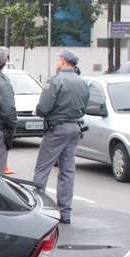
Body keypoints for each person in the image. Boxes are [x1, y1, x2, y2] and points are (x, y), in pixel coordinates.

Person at [32, 50, 90, 224]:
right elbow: (84, 106)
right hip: (75, 127)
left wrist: (41, 111)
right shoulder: (82, 82)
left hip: (57, 128)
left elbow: (43, 107)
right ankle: (65, 212)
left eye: (59, 59)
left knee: (43, 168)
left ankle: (37, 208)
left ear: (64, 62)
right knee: (67, 171)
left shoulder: (56, 81)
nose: (57, 62)